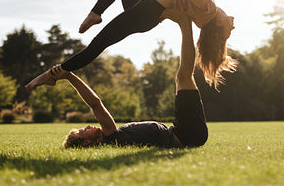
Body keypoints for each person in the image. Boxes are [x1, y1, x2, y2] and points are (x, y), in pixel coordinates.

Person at [26, 0, 236, 90]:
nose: (233, 22)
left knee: (96, 46)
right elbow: (183, 2)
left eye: (229, 27)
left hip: (146, 13)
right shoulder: (206, 14)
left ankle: (53, 74)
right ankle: (96, 13)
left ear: (218, 24)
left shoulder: (209, 9)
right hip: (145, 11)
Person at [29, 8, 209, 148]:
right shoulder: (110, 136)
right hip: (186, 134)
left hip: (185, 132)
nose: (89, 127)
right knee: (183, 76)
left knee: (184, 76)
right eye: (84, 131)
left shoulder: (114, 137)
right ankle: (185, 23)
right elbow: (95, 103)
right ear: (87, 143)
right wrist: (69, 76)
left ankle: (187, 23)